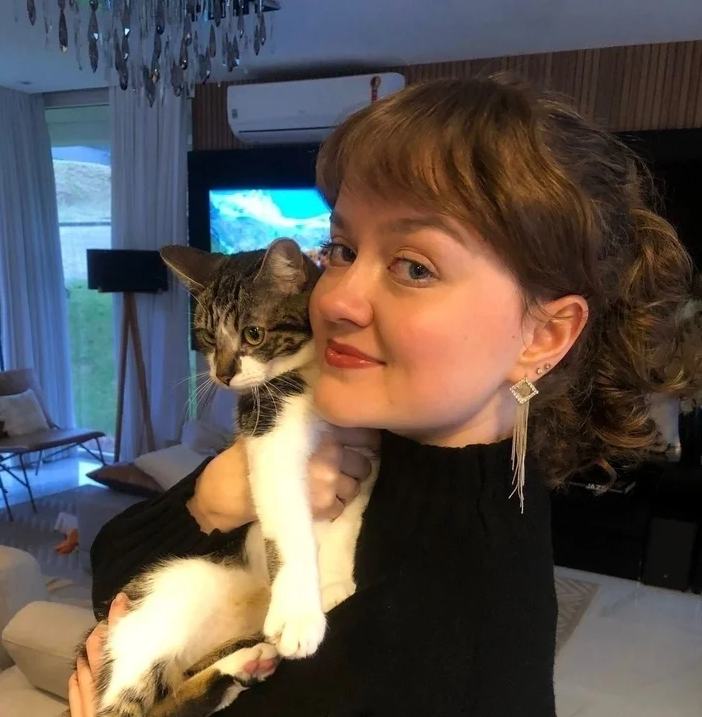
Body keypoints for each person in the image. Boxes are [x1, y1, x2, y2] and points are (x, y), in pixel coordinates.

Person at [69, 75, 695, 717]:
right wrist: (218, 494)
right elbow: (112, 576)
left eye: (415, 266)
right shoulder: (375, 442)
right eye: (341, 248)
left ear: (544, 335)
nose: (333, 298)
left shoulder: (441, 646)